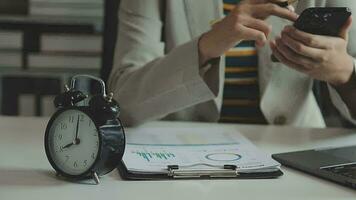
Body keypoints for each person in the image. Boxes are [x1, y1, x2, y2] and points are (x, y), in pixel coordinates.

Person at [108, 0, 356, 127]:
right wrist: (205, 47)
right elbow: (122, 101)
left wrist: (344, 73)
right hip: (180, 154)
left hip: (292, 149)